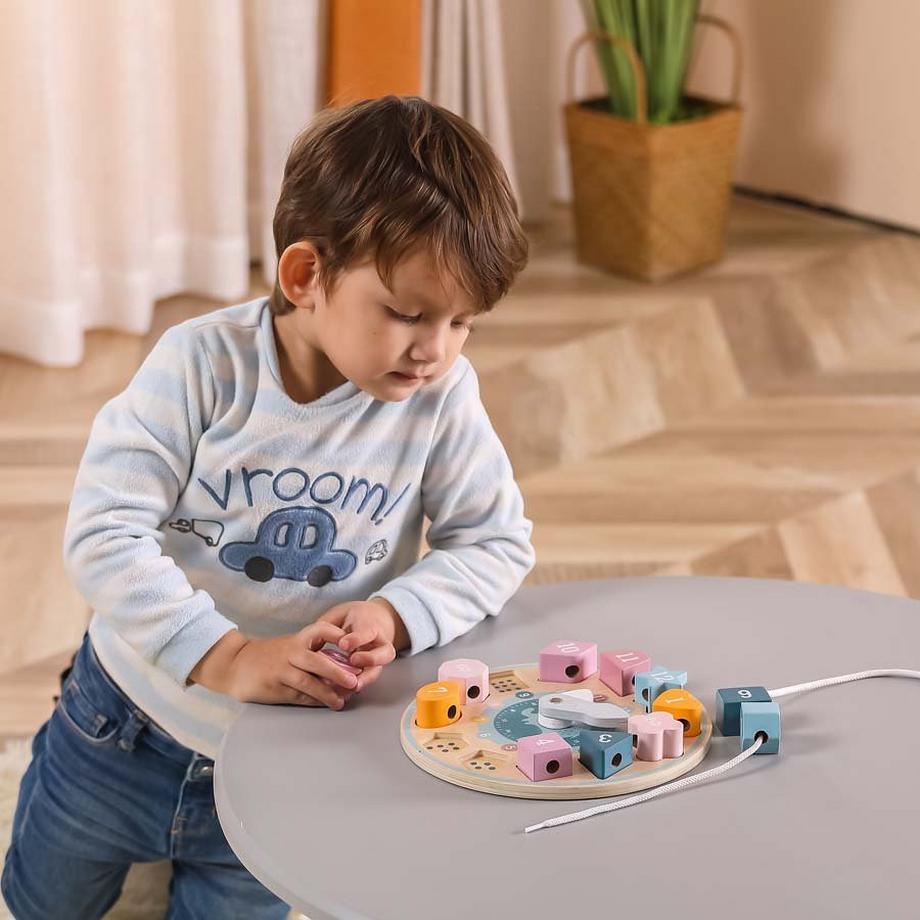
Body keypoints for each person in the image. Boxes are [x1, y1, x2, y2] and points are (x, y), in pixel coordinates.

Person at [1, 95, 534, 919]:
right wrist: (228, 656)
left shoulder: (441, 395)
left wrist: (396, 615)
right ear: (305, 275)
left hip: (287, 763)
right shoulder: (199, 367)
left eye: (464, 322)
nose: (437, 349)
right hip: (121, 729)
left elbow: (496, 542)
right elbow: (105, 533)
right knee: (41, 901)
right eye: (407, 313)